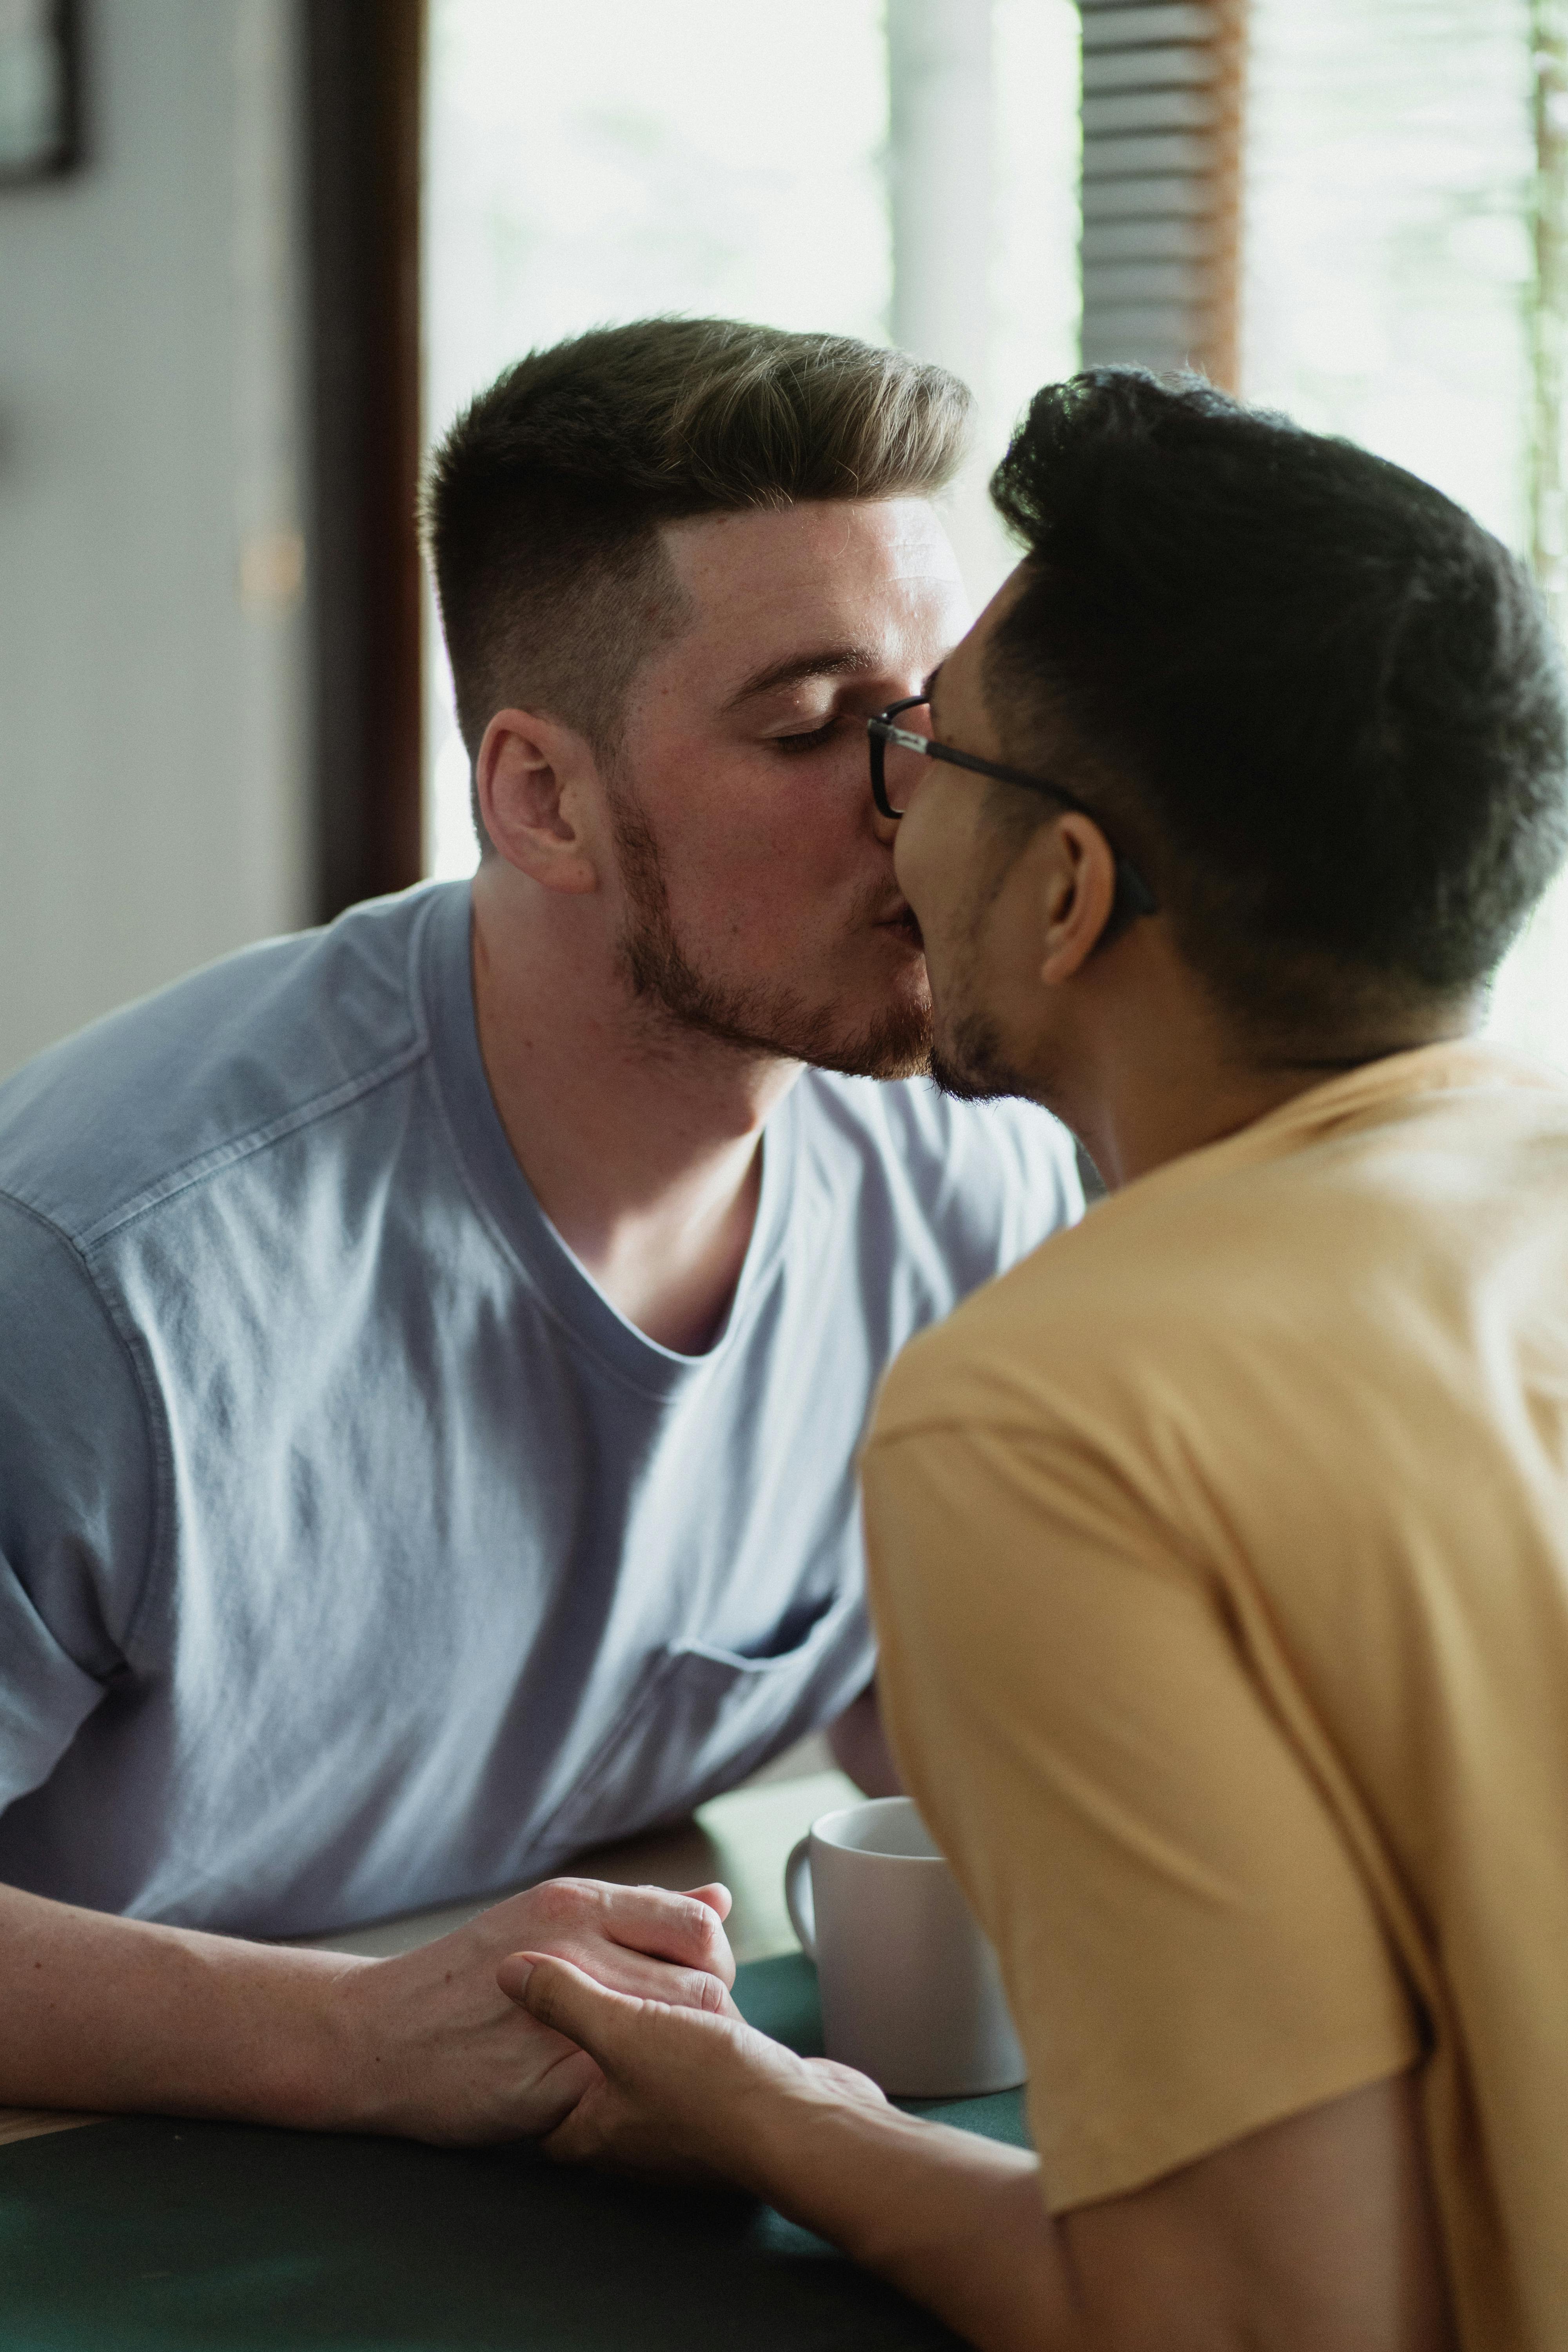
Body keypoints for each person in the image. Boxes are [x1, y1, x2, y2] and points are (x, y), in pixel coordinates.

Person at [502, 370, 1568, 2352]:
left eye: (931, 756)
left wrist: (766, 2110)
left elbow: (1248, 2324)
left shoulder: (1054, 1404)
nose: (888, 822)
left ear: (1069, 892)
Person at [0, 320, 1082, 2139]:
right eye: (818, 730)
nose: (927, 813)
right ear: (544, 799)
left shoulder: (981, 1185)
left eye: (941, 719)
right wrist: (346, 2044)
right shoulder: (106, 1277)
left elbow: (955, 1756)